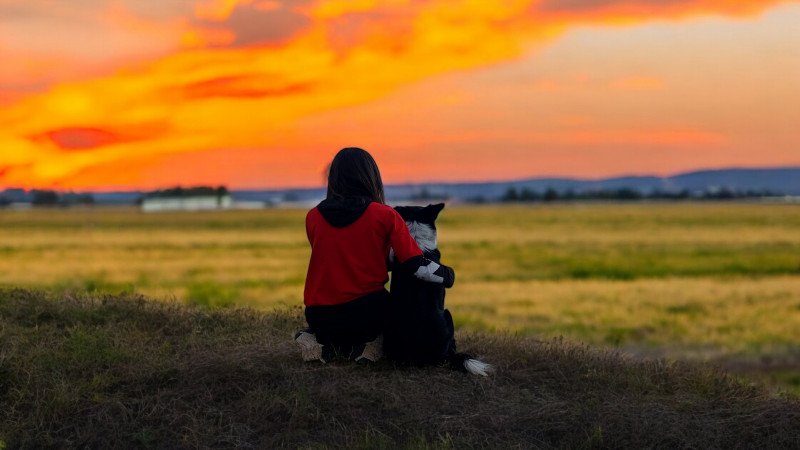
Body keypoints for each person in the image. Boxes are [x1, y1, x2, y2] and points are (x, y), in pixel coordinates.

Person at [296, 147, 455, 364]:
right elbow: (416, 266)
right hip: (366, 315)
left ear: (333, 178)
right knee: (399, 310)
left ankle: (313, 340)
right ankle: (370, 348)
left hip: (318, 316)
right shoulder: (386, 215)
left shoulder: (313, 216)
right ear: (371, 177)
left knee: (330, 326)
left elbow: (339, 260)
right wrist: (448, 275)